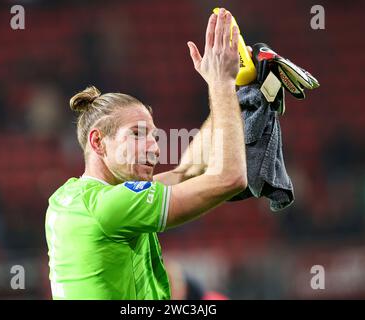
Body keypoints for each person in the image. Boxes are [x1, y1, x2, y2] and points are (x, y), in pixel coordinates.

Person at [45, 8, 247, 299]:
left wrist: (235, 92)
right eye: (137, 134)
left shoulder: (69, 197)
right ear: (98, 142)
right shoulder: (110, 207)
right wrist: (221, 83)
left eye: (154, 136)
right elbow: (231, 178)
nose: (154, 147)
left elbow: (185, 172)